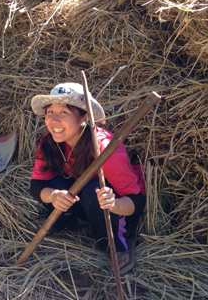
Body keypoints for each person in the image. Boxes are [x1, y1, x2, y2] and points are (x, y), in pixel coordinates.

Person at [29, 83, 145, 274]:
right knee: (55, 184)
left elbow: (136, 202)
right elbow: (37, 185)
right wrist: (54, 196)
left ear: (84, 117)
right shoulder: (47, 142)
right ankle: (65, 222)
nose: (54, 120)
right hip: (77, 200)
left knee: (94, 190)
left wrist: (113, 204)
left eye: (64, 112)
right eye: (50, 111)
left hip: (111, 206)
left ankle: (116, 245)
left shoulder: (105, 149)